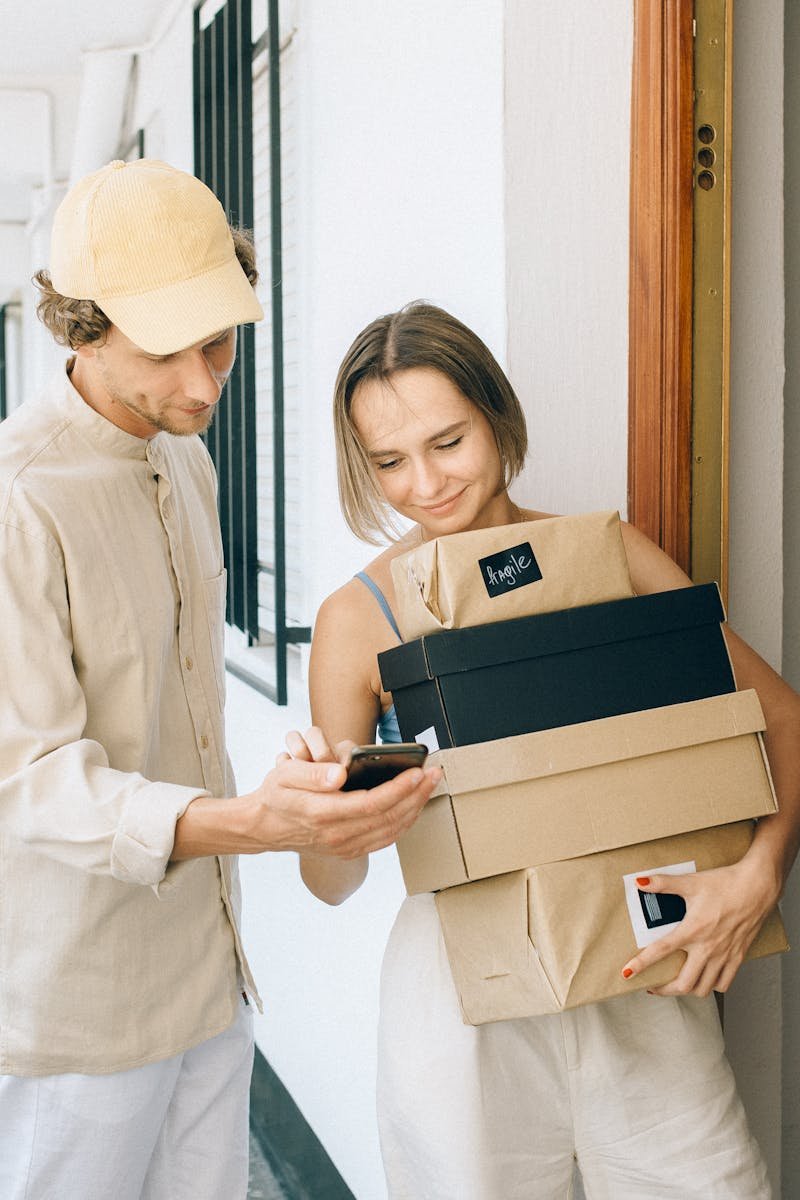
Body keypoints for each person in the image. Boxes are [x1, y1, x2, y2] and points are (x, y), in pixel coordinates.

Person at [0, 161, 439, 1200]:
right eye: (166, 351)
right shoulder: (18, 500)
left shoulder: (184, 461)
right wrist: (259, 824)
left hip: (211, 975)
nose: (203, 383)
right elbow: (28, 781)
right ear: (80, 327)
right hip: (78, 1007)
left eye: (219, 342)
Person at [297, 301, 800, 1198]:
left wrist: (761, 874)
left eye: (447, 441)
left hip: (636, 973)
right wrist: (324, 827)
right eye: (387, 462)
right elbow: (332, 883)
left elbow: (780, 717)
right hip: (460, 1004)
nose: (424, 483)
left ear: (497, 413)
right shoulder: (354, 619)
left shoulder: (609, 559)